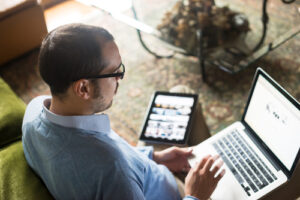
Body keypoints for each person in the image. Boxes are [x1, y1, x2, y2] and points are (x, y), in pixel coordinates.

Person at [22, 23, 225, 200]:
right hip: (178, 193)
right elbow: (113, 166)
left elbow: (116, 159)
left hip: (149, 171)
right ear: (83, 88)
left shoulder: (33, 111)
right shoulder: (113, 171)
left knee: (181, 94)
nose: (120, 78)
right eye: (114, 72)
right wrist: (195, 194)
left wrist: (155, 157)